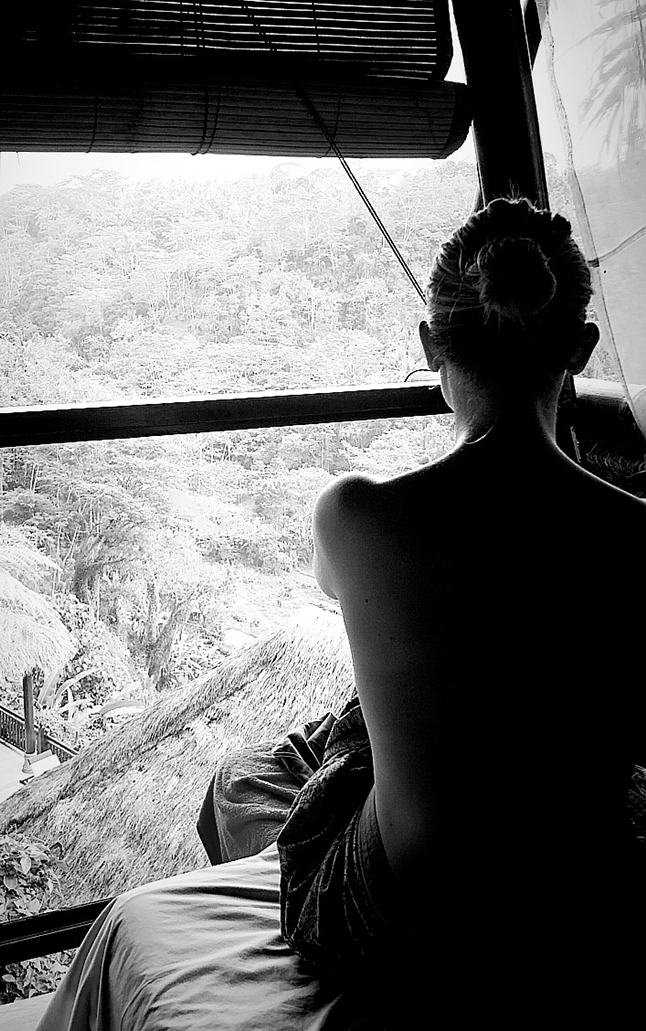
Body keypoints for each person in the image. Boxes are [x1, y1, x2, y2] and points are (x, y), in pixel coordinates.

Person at [275, 197, 646, 996]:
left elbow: (333, 585)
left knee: (351, 720)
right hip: (583, 910)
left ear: (429, 344)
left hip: (407, 920)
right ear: (580, 348)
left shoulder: (353, 514)